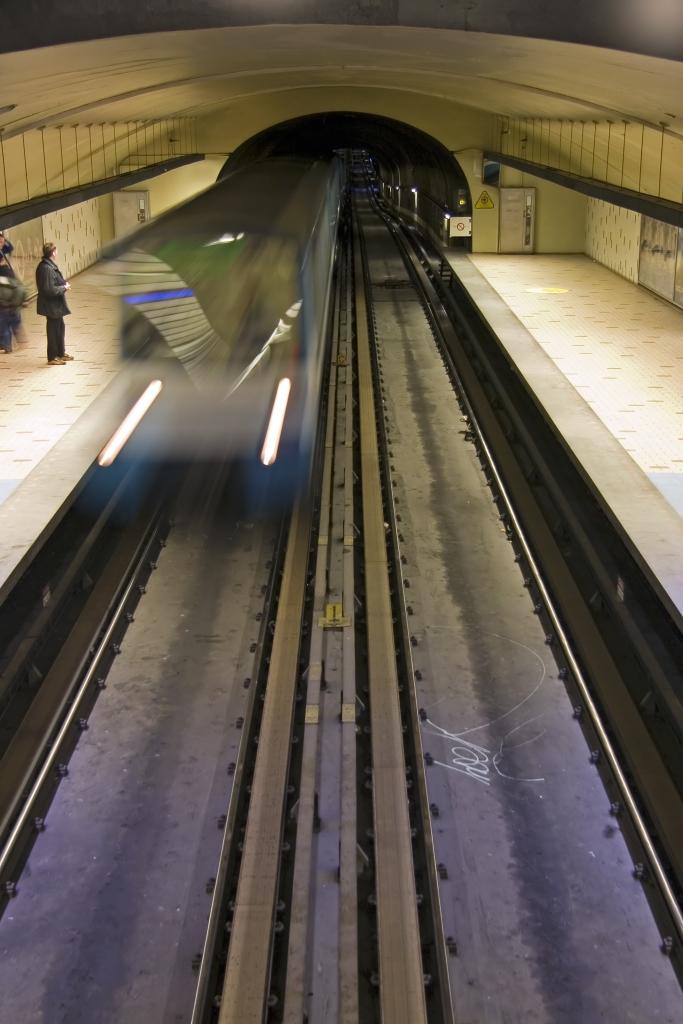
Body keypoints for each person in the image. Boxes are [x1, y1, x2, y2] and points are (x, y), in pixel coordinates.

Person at [36, 242, 73, 365]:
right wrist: (64, 288)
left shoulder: (49, 266)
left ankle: (61, 353)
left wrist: (63, 285)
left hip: (55, 305)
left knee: (60, 329)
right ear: (52, 252)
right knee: (53, 331)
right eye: (56, 251)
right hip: (51, 306)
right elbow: (49, 289)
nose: (57, 253)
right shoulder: (46, 268)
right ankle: (52, 357)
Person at [0, 248, 28, 354]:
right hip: (13, 304)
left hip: (3, 305)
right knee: (15, 323)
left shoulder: (5, 272)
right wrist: (22, 300)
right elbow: (19, 287)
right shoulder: (8, 272)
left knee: (4, 326)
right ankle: (21, 341)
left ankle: (7, 346)